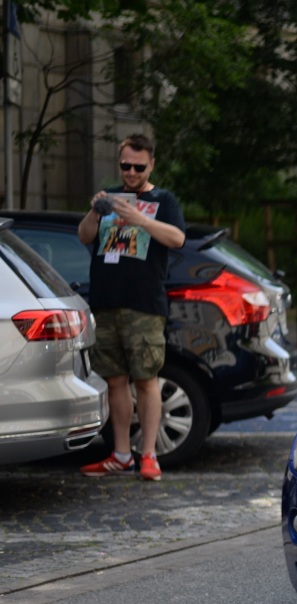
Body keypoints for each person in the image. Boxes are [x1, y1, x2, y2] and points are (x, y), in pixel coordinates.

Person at [76, 133, 186, 481]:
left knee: (147, 380)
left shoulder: (163, 200)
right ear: (119, 163)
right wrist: (95, 211)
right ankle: (121, 454)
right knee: (115, 381)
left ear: (151, 164)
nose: (132, 172)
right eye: (126, 166)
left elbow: (178, 239)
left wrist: (140, 219)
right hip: (106, 302)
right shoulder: (109, 196)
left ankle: (149, 454)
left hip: (144, 305)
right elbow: (84, 236)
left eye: (139, 167)